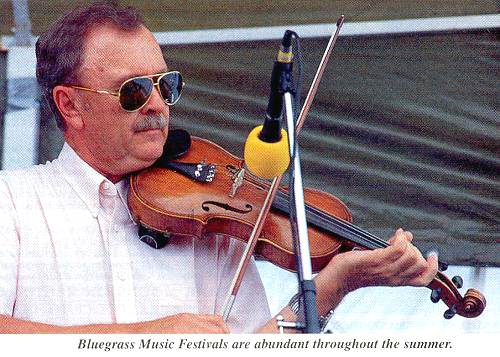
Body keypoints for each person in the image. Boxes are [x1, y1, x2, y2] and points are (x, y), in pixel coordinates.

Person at [0, 3, 438, 334]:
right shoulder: (12, 203)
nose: (157, 104)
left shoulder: (207, 221)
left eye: (165, 85)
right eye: (132, 91)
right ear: (70, 105)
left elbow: (253, 347)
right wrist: (143, 337)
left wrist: (333, 285)